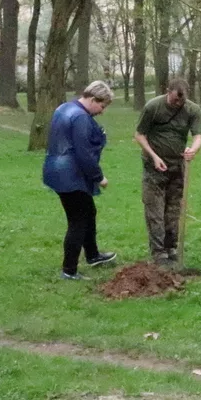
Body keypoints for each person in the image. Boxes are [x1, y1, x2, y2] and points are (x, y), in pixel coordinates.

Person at [42, 81, 118, 280]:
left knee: (88, 212)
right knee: (78, 220)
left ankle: (93, 255)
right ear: (93, 99)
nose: (101, 112)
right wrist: (98, 177)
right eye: (102, 106)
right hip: (70, 175)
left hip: (55, 170)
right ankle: (69, 270)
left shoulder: (64, 108)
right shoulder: (80, 118)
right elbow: (83, 153)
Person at [134, 78, 201, 266]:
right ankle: (158, 253)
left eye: (181, 101)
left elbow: (198, 136)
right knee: (155, 210)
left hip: (177, 167)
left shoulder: (192, 110)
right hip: (153, 167)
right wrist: (154, 156)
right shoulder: (153, 107)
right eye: (174, 100)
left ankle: (171, 247)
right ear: (168, 91)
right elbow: (139, 135)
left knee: (173, 210)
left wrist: (193, 149)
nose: (177, 104)